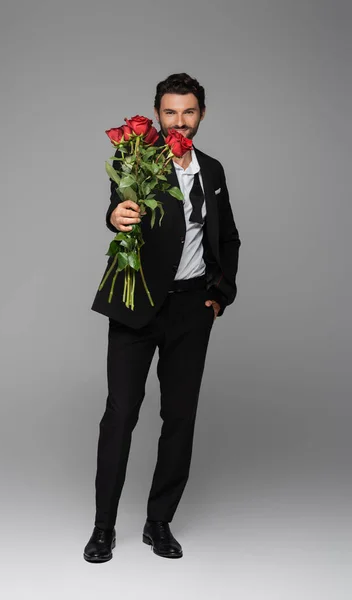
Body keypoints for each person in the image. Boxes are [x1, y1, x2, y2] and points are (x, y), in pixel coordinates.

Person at [83, 73, 241, 562]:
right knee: (120, 415)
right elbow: (119, 207)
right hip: (136, 308)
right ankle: (104, 528)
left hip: (192, 309)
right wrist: (118, 217)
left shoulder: (211, 170)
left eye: (188, 112)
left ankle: (159, 522)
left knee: (180, 417)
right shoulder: (137, 160)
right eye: (170, 112)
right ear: (158, 116)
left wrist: (220, 294)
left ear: (201, 116)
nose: (180, 121)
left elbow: (229, 237)